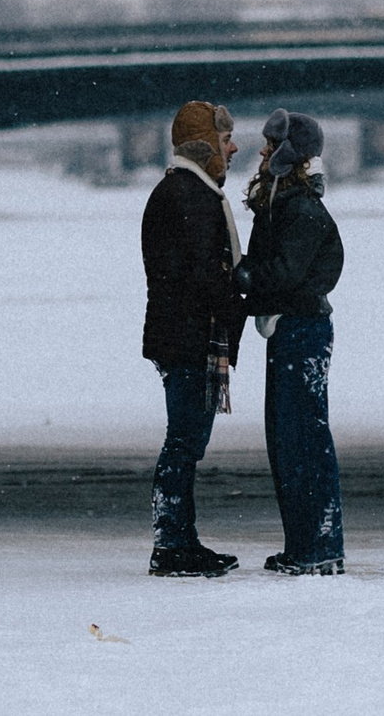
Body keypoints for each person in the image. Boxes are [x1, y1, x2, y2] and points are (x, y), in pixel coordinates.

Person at [139, 98, 247, 577]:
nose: (235, 147)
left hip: (181, 336)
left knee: (185, 442)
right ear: (206, 147)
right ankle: (172, 545)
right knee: (183, 444)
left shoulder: (180, 192)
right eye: (226, 140)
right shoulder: (190, 198)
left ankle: (180, 539)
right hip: (188, 339)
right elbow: (205, 278)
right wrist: (247, 292)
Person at [239, 108, 345, 575]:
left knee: (301, 440)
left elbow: (283, 272)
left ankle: (315, 548)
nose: (261, 151)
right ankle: (308, 544)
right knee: (293, 441)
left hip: (301, 331)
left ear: (288, 154)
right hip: (293, 329)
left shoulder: (299, 209)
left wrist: (238, 276)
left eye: (270, 144)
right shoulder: (289, 203)